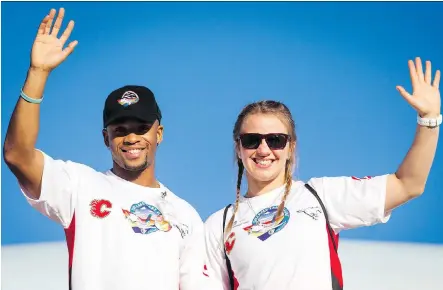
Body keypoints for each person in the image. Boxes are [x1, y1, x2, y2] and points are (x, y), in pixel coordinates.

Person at [3, 8, 206, 290]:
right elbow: (17, 154)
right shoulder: (79, 185)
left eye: (140, 128)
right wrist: (38, 72)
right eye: (119, 130)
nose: (131, 137)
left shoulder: (186, 216)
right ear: (105, 138)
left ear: (158, 134)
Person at [203, 57, 441, 290]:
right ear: (239, 147)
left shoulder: (320, 196)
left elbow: (408, 184)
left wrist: (429, 119)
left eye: (276, 140)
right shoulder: (219, 225)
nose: (264, 149)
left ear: (290, 147)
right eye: (252, 140)